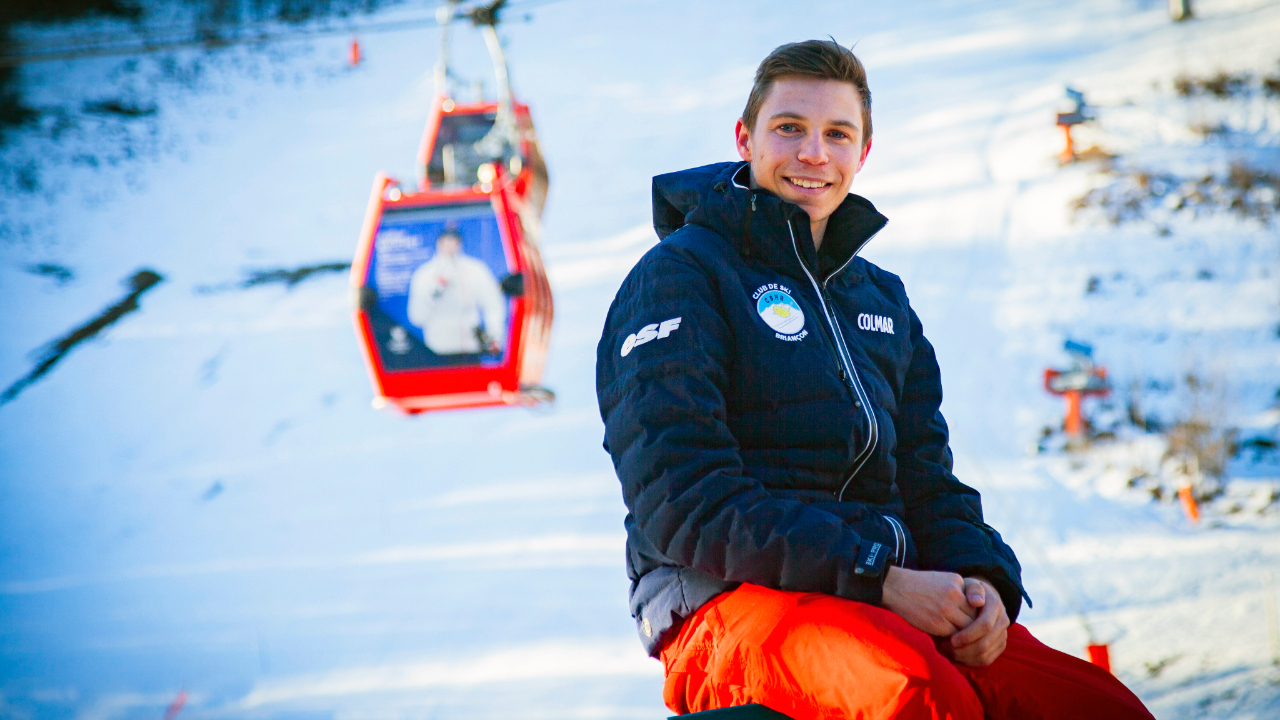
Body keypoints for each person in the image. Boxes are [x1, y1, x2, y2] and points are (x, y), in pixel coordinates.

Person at [595, 40, 1154, 720]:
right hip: (730, 606)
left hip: (883, 592)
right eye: (789, 128)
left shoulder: (878, 300)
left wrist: (981, 582)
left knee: (1095, 705)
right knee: (914, 693)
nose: (813, 153)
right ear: (745, 139)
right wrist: (877, 576)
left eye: (838, 134)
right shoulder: (680, 278)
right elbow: (680, 499)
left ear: (863, 154)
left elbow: (926, 476)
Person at [407, 228, 507, 355]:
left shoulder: (476, 269)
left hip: (470, 348)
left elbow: (493, 304)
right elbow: (416, 317)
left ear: (460, 244)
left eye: (454, 241)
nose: (449, 246)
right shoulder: (425, 274)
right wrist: (436, 292)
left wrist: (495, 336)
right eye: (445, 242)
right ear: (438, 243)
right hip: (437, 350)